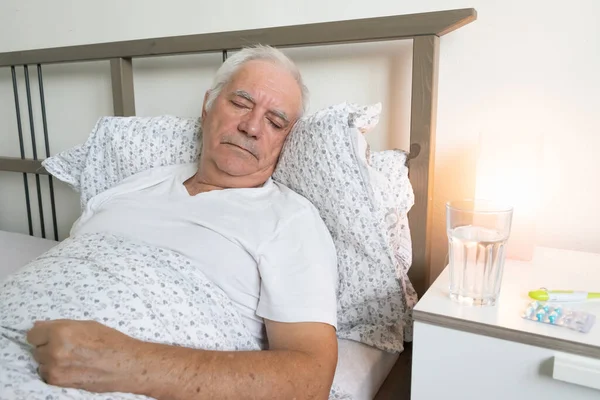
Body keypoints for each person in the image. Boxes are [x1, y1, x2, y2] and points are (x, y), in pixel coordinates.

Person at [24, 45, 339, 399]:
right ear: (207, 106)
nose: (251, 126)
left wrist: (127, 363)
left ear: (286, 140)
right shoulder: (134, 185)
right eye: (240, 103)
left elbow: (311, 380)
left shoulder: (290, 219)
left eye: (275, 121)